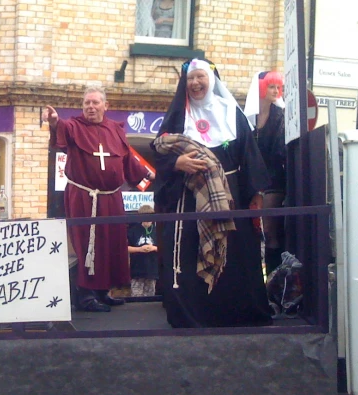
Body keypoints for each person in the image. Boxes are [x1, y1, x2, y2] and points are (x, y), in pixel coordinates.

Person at [150, 59, 272, 328]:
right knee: (190, 255)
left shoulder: (231, 112)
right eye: (190, 79)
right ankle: (192, 315)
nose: (195, 83)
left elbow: (250, 156)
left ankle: (237, 313)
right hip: (189, 199)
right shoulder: (178, 118)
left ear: (211, 80)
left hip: (231, 197)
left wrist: (256, 193)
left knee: (235, 256)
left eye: (200, 77)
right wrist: (177, 164)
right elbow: (159, 154)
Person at [44, 87, 153, 312]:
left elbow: (127, 159)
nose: (90, 107)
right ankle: (85, 295)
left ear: (106, 105)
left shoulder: (115, 130)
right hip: (84, 196)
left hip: (111, 197)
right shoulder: (74, 126)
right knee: (86, 243)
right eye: (86, 103)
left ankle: (104, 292)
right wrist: (54, 122)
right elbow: (61, 130)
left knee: (112, 242)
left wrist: (148, 174)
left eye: (95, 103)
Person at [245, 70, 287, 275]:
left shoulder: (281, 116)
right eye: (272, 86)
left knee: (270, 232)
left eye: (279, 87)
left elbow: (280, 153)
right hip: (251, 183)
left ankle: (273, 281)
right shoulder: (247, 118)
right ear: (261, 88)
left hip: (273, 182)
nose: (276, 91)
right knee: (248, 233)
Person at [128, 204, 158, 297]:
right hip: (137, 270)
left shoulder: (157, 230)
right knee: (136, 298)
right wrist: (139, 249)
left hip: (152, 271)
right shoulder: (133, 230)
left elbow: (165, 247)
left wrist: (154, 248)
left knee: (150, 298)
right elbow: (125, 248)